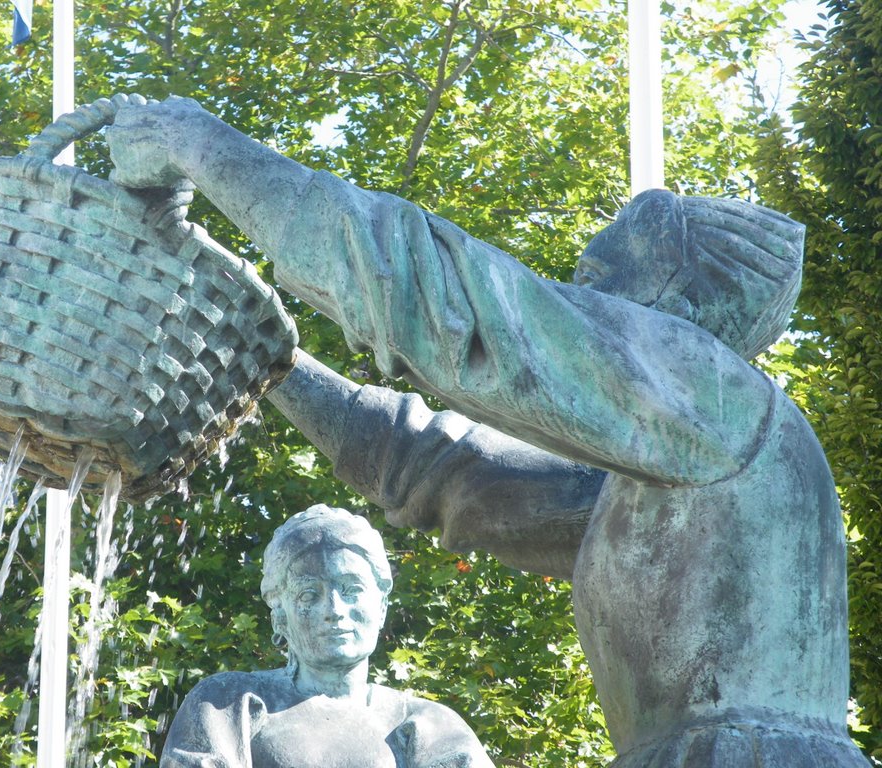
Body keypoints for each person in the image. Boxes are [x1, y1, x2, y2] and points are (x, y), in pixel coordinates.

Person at [109, 97, 871, 766]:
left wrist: (199, 145)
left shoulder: (714, 395)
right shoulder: (654, 486)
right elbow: (445, 469)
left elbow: (442, 301)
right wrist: (265, 351)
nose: (577, 304)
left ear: (680, 302)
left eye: (599, 285)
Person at [160, 505, 495, 768]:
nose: (333, 609)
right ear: (279, 616)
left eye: (351, 590)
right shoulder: (227, 704)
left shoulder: (428, 726)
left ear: (381, 607)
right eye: (309, 595)